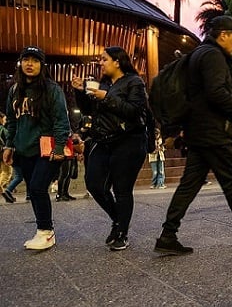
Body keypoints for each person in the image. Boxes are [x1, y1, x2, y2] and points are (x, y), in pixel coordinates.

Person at [154, 15, 232, 254]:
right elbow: (216, 93)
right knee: (231, 182)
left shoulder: (197, 55)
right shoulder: (213, 56)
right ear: (223, 35)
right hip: (212, 132)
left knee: (189, 184)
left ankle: (168, 235)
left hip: (198, 132)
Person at [71, 46, 148, 250]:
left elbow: (134, 111)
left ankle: (122, 232)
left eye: (104, 59)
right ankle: (117, 219)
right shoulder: (103, 83)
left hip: (128, 140)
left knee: (122, 189)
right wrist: (80, 92)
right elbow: (89, 110)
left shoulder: (134, 82)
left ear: (117, 61)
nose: (100, 63)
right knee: (94, 184)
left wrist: (106, 97)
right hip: (102, 141)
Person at [2, 45, 70, 249]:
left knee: (38, 187)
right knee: (34, 189)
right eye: (26, 60)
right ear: (20, 63)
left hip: (46, 148)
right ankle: (44, 230)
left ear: (42, 64)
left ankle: (46, 232)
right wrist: (9, 145)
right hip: (24, 148)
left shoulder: (51, 89)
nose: (29, 64)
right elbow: (12, 121)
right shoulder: (15, 90)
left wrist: (59, 147)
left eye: (35, 60)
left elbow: (61, 120)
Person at [0, 112, 11, 192]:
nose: (5, 121)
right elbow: (8, 140)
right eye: (4, 119)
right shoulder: (3, 129)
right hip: (2, 153)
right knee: (7, 172)